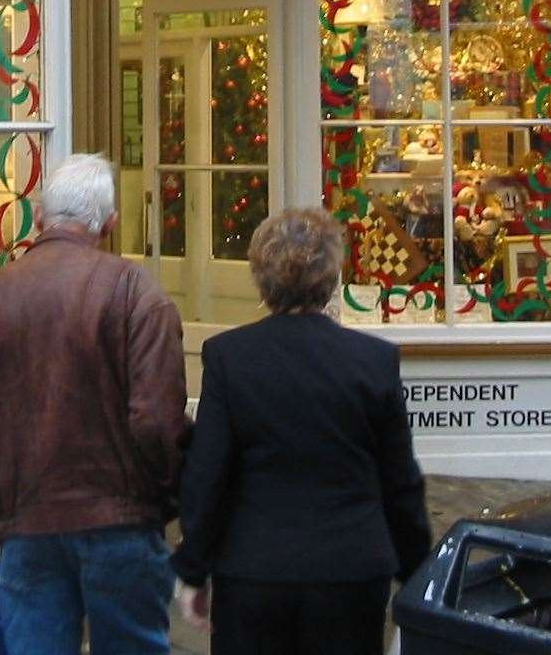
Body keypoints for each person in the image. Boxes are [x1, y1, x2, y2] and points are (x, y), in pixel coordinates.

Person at [0, 153, 188, 655]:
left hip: (26, 526)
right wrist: (167, 499)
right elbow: (156, 422)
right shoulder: (136, 293)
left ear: (42, 219)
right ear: (110, 225)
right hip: (122, 524)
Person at [171, 207, 432, 655]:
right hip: (350, 568)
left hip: (255, 569)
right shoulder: (373, 361)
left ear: (260, 277)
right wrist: (416, 569)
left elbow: (207, 474)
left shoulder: (231, 358)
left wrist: (194, 568)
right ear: (331, 275)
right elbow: (400, 480)